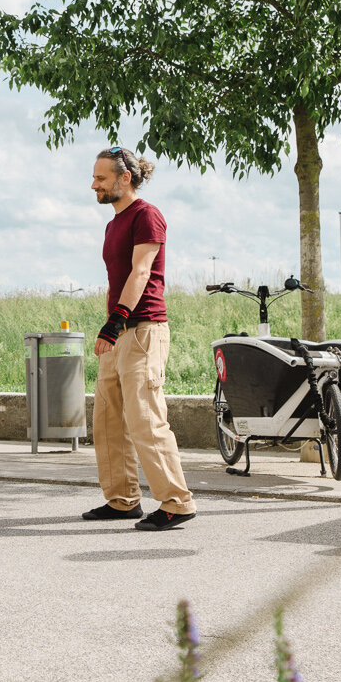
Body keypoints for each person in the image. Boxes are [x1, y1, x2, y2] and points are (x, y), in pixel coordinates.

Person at [81, 146, 196, 531]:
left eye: (100, 178)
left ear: (125, 178)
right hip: (118, 332)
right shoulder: (113, 224)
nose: (93, 185)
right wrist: (111, 327)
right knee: (108, 420)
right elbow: (116, 280)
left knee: (145, 419)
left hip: (143, 330)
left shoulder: (147, 215)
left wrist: (115, 322)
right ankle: (122, 499)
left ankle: (177, 502)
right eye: (94, 177)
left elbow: (141, 272)